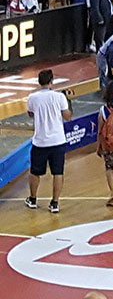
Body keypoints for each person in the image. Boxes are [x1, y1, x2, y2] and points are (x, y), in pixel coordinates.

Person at [25, 69, 72, 213]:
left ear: (39, 82)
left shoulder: (32, 97)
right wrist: (69, 100)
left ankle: (33, 199)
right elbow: (68, 116)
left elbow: (30, 113)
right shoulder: (60, 97)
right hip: (57, 141)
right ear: (52, 81)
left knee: (35, 172)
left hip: (40, 142)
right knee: (58, 173)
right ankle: (55, 203)